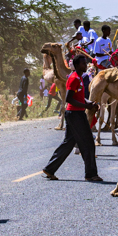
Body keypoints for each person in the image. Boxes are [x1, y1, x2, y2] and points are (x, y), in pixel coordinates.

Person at [43, 54, 103, 182]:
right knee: (88, 144)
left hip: (75, 113)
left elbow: (79, 98)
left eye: (85, 63)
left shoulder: (80, 78)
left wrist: (89, 103)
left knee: (68, 143)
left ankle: (49, 169)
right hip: (75, 114)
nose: (85, 65)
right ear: (76, 65)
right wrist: (86, 106)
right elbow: (68, 98)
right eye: (82, 63)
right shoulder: (74, 78)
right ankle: (91, 174)